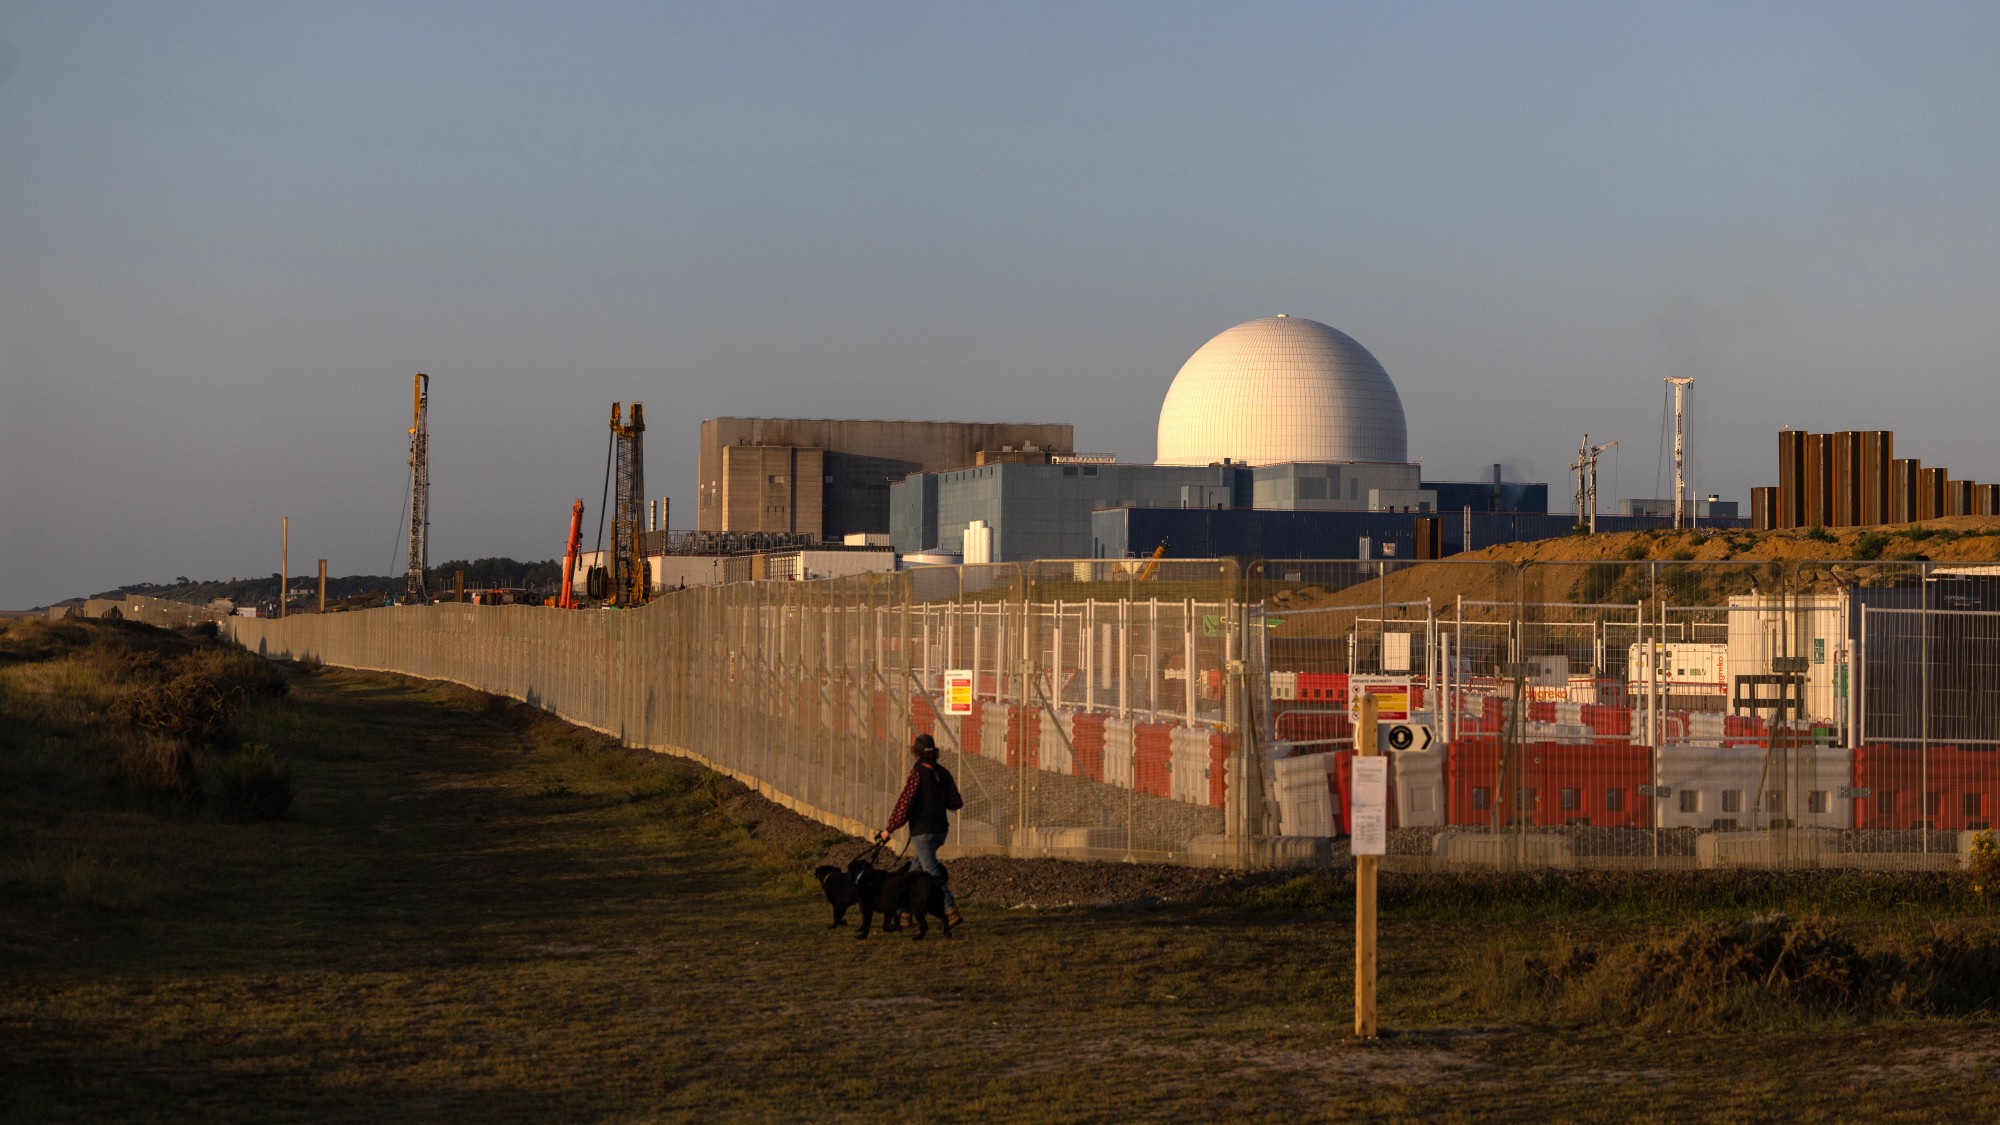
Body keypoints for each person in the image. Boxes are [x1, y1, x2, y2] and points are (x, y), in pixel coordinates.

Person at [875, 733, 963, 927]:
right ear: (934, 753)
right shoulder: (943, 772)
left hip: (922, 832)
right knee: (913, 873)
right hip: (941, 831)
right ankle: (904, 914)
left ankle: (950, 910)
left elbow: (904, 803)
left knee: (931, 873)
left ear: (916, 753)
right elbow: (956, 802)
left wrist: (888, 830)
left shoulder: (917, 773)